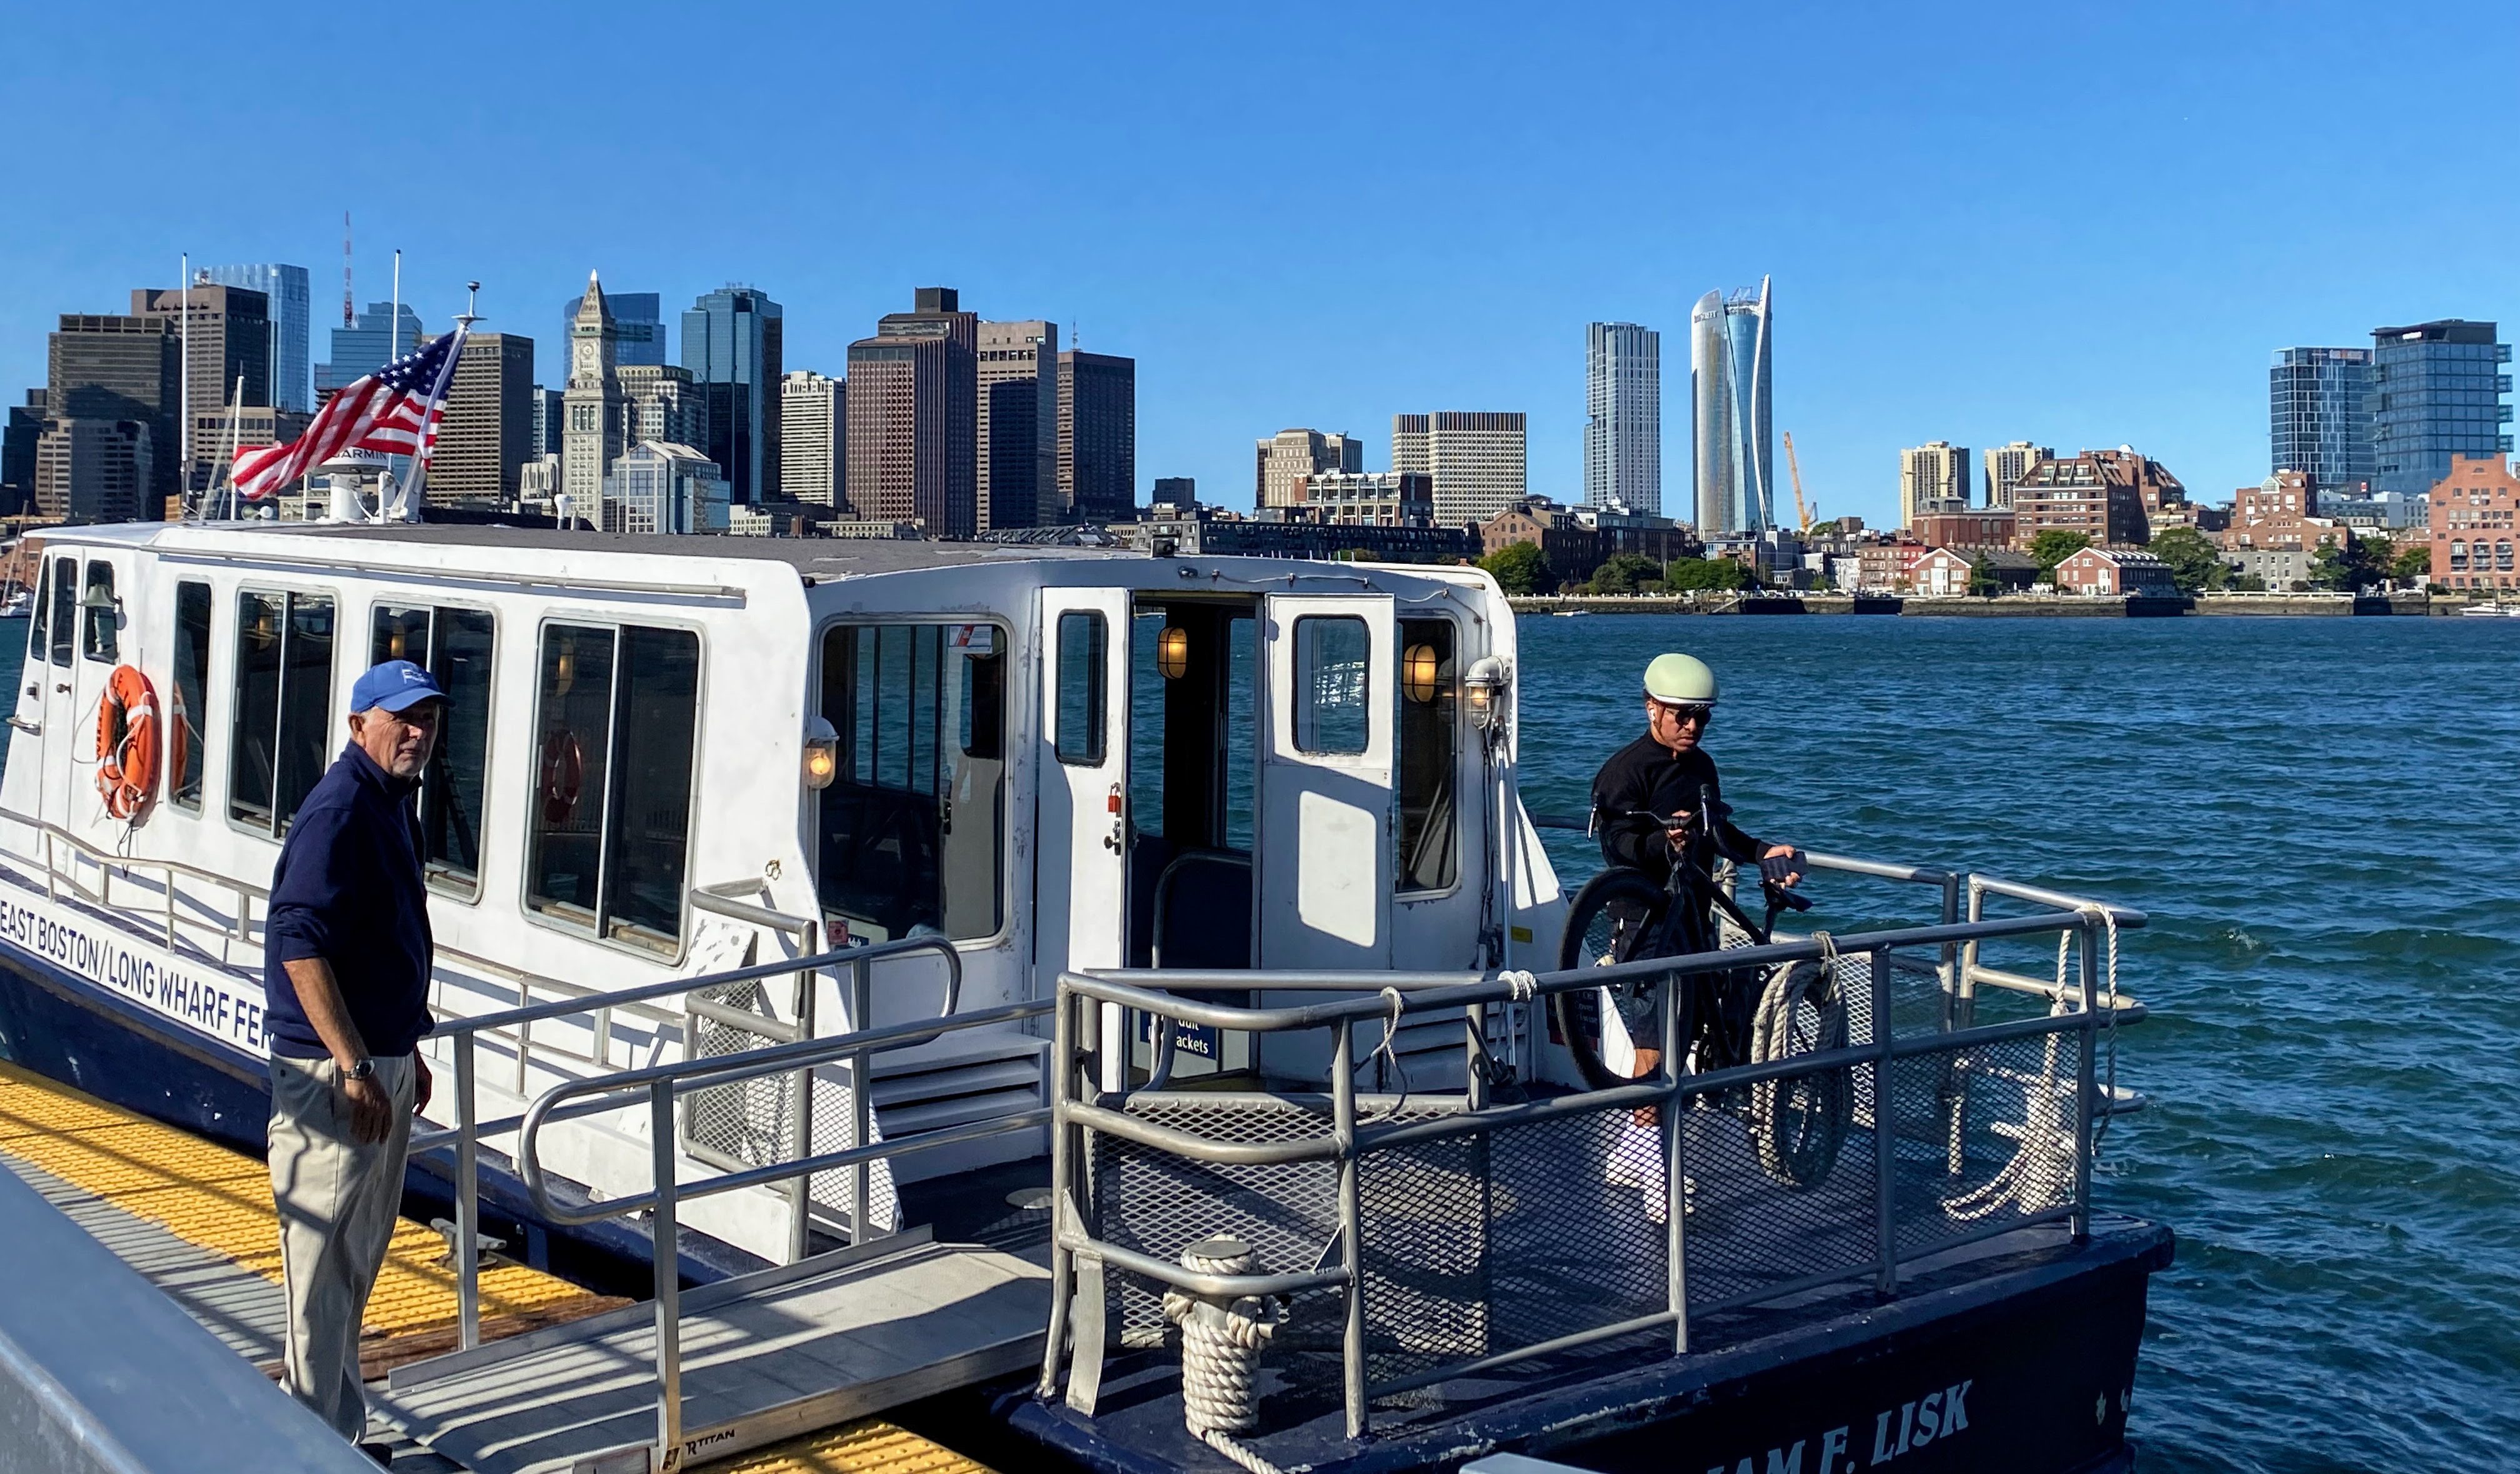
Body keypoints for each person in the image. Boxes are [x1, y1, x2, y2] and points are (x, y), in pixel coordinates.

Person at [264, 659, 446, 1460]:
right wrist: (355, 1064)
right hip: (336, 1076)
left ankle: (333, 1425)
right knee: (320, 1260)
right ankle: (313, 1443)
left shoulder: (391, 806)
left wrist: (406, 1041)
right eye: (401, 717)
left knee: (355, 1256)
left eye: (428, 719)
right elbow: (299, 942)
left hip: (381, 1059)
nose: (417, 732)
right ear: (357, 725)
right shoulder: (339, 810)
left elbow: (383, 939)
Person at [1589, 652, 1803, 1088]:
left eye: (1702, 719)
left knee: (1696, 1028)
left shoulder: (1702, 766)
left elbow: (1717, 831)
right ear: (1652, 707)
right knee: (1653, 1044)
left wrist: (1762, 851)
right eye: (1682, 716)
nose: (1692, 728)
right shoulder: (1625, 771)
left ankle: (1707, 1115)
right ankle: (1645, 1146)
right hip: (1644, 920)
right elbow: (1616, 846)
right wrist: (1662, 842)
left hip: (1692, 911)